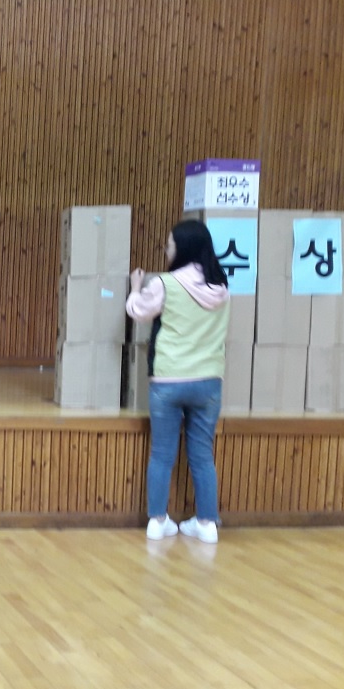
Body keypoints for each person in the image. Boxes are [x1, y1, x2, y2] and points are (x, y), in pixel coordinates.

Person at [126, 219, 230, 544]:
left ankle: (158, 521)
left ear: (182, 249)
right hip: (209, 381)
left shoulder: (165, 284)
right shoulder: (222, 287)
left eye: (169, 245)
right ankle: (207, 523)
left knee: (162, 454)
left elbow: (138, 311)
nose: (167, 250)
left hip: (169, 380)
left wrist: (135, 287)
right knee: (202, 454)